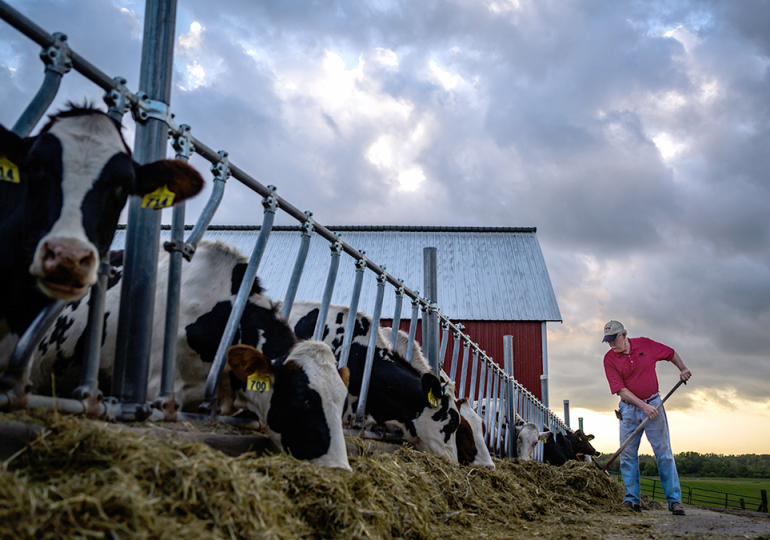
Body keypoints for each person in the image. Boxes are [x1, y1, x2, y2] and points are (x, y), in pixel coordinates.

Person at [602, 320, 692, 516]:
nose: (611, 344)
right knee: (627, 456)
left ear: (624, 335)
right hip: (629, 410)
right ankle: (632, 500)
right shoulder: (609, 359)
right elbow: (620, 390)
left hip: (654, 404)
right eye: (607, 341)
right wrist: (644, 407)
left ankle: (674, 501)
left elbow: (670, 353)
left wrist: (682, 368)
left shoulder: (645, 345)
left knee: (664, 453)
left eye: (613, 340)